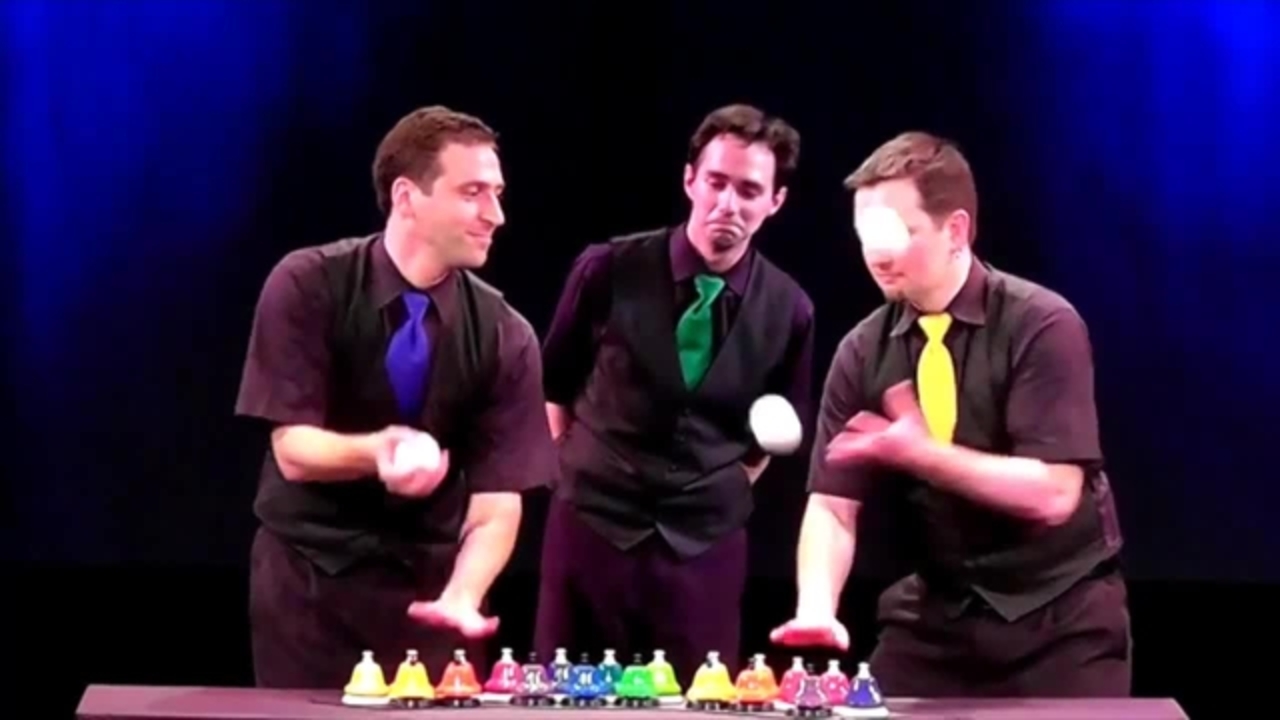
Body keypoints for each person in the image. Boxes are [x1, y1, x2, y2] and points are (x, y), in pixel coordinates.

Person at [771, 131, 1131, 697]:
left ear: (956, 230)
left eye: (895, 232)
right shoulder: (863, 351)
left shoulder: (1041, 323)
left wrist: (923, 456)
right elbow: (833, 506)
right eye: (866, 234)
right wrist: (817, 606)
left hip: (1059, 616)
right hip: (939, 613)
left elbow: (1054, 494)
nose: (877, 254)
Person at [235, 105, 555, 688]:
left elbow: (498, 501)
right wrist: (378, 450)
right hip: (310, 585)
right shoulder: (308, 282)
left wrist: (463, 595)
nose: (496, 214)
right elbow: (294, 450)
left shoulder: (506, 334)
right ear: (407, 197)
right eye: (473, 193)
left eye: (497, 194)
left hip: (429, 594)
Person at [535, 103, 816, 684]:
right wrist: (571, 465)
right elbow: (553, 384)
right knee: (567, 697)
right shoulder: (608, 269)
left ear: (776, 201)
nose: (727, 203)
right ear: (690, 180)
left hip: (703, 547)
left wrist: (725, 485)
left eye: (749, 190)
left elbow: (780, 426)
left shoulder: (790, 309)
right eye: (715, 182)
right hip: (592, 526)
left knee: (699, 701)